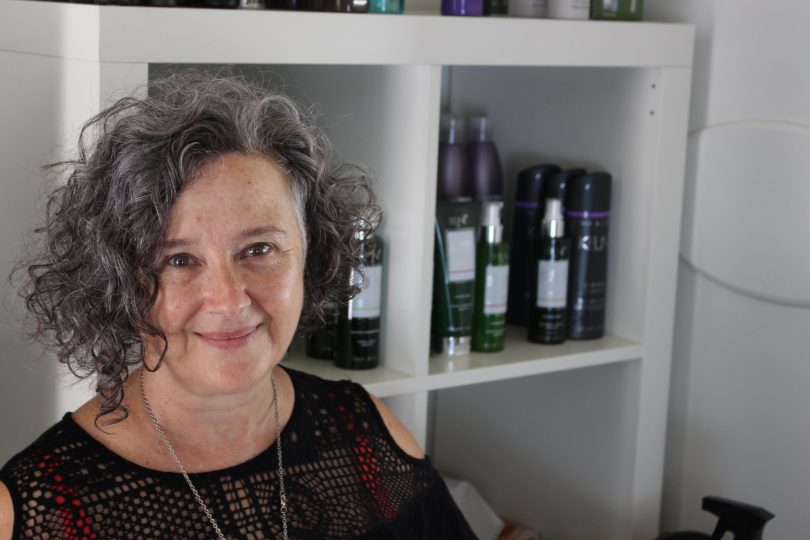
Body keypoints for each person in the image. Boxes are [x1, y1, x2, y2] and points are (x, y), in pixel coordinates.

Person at [0, 71, 476, 539]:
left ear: (311, 252)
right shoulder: (40, 507)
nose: (229, 300)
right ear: (118, 279)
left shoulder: (368, 434)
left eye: (259, 250)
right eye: (180, 259)